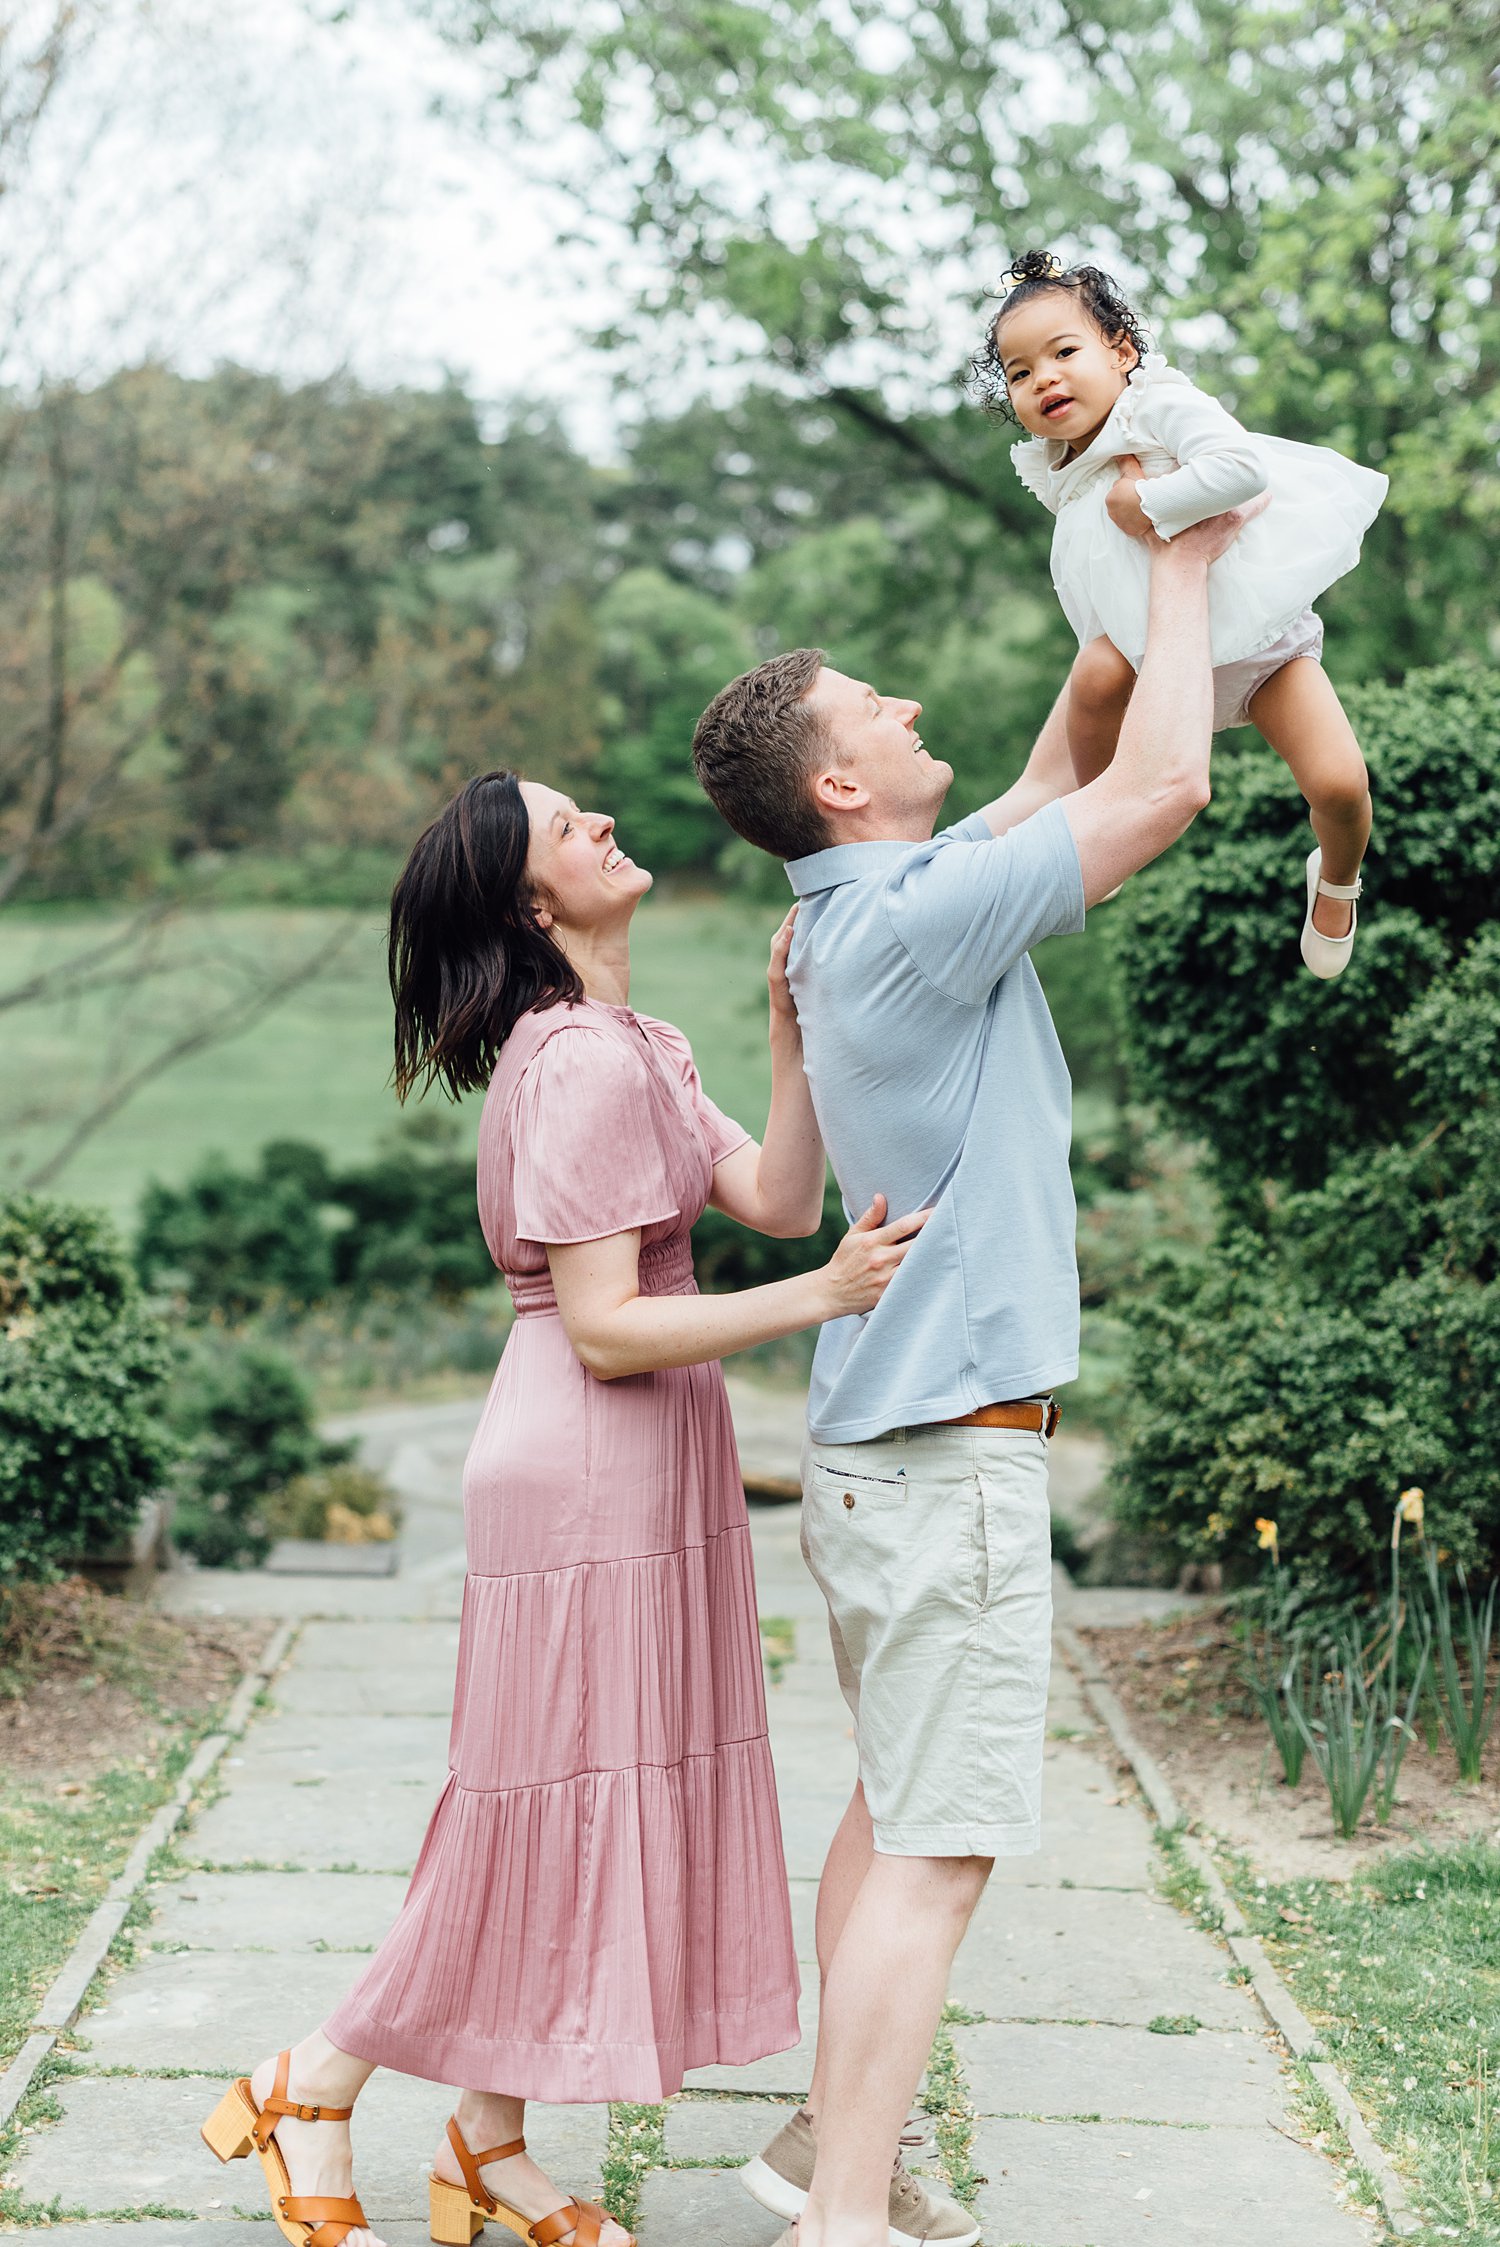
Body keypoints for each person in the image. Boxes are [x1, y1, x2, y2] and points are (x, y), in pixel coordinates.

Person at [200, 770, 929, 2247]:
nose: (600, 822)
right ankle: (316, 2075)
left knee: (572, 1792)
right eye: (566, 827)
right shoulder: (584, 1063)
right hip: (587, 1455)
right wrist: (824, 1300)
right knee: (535, 1805)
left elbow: (782, 1194)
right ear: (538, 905)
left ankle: (486, 2140)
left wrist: (790, 1039)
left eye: (587, 806)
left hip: (638, 1458)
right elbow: (605, 1322)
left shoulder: (631, 1041)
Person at [688, 489, 1258, 2247]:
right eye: (880, 711)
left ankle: (818, 2146)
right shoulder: (922, 921)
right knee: (940, 1853)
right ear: (840, 786)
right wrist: (1187, 566)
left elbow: (1071, 756)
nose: (913, 711)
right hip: (949, 1468)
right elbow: (1157, 794)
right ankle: (844, 2217)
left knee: (896, 1813)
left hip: (892, 1458)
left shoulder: (890, 902)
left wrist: (1114, 594)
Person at [977, 247, 1387, 977]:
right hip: (1150, 659)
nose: (1044, 377)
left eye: (1064, 351)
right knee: (1094, 676)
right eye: (1020, 371)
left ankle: (1337, 877)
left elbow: (1241, 468)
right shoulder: (1052, 461)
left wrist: (1148, 504)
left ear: (1122, 351)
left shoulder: (1155, 405)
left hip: (1256, 645)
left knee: (1340, 785)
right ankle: (1108, 826)